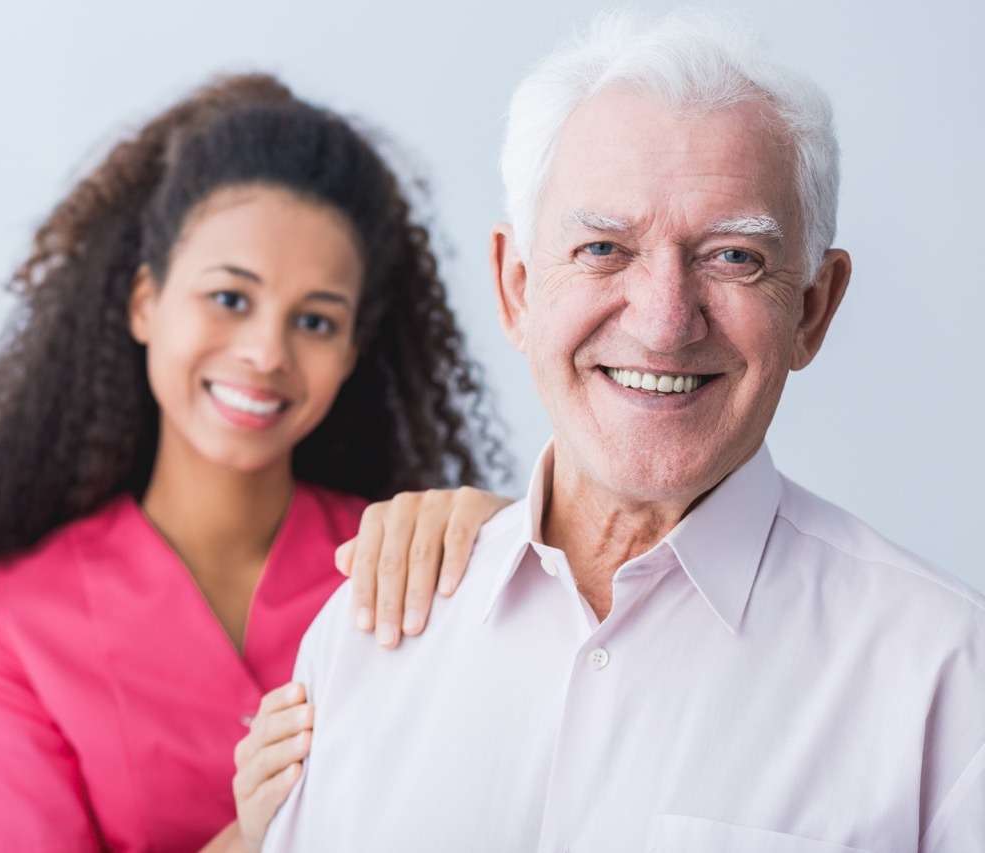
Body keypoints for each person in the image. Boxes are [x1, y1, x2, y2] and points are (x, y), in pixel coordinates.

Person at [260, 11, 985, 852]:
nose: (665, 322)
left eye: (733, 256)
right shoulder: (367, 632)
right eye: (603, 248)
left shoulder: (945, 677)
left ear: (813, 309)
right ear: (517, 287)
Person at [0, 73, 515, 852]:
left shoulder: (411, 568)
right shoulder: (12, 626)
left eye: (316, 321)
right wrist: (259, 833)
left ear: (352, 352)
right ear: (145, 302)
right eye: (230, 298)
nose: (266, 352)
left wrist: (512, 546)